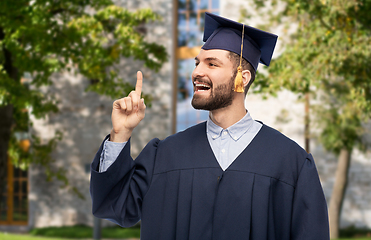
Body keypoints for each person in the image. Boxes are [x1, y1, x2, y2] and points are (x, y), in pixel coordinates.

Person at [90, 12, 329, 239]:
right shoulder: (164, 154)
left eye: (211, 64)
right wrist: (120, 133)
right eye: (197, 63)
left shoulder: (290, 162)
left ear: (242, 78)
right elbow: (113, 206)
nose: (196, 72)